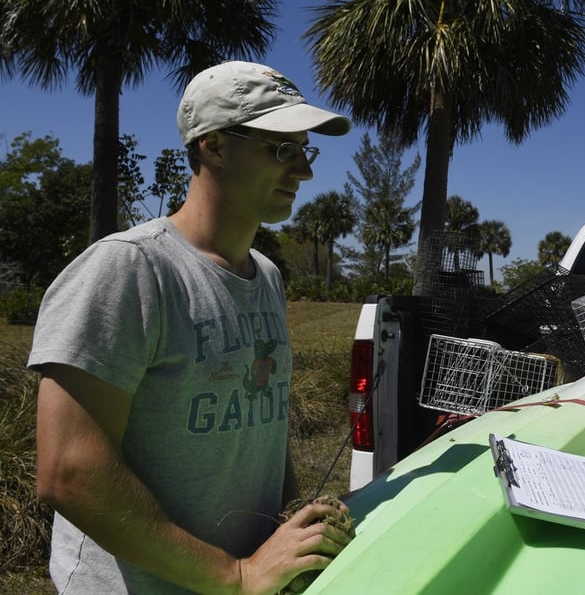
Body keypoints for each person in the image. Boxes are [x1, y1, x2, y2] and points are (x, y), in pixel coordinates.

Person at [30, 60, 354, 594]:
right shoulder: (130, 269)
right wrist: (236, 575)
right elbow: (69, 471)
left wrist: (292, 521)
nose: (304, 172)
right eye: (282, 150)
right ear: (215, 146)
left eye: (304, 150)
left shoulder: (266, 276)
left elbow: (261, 426)